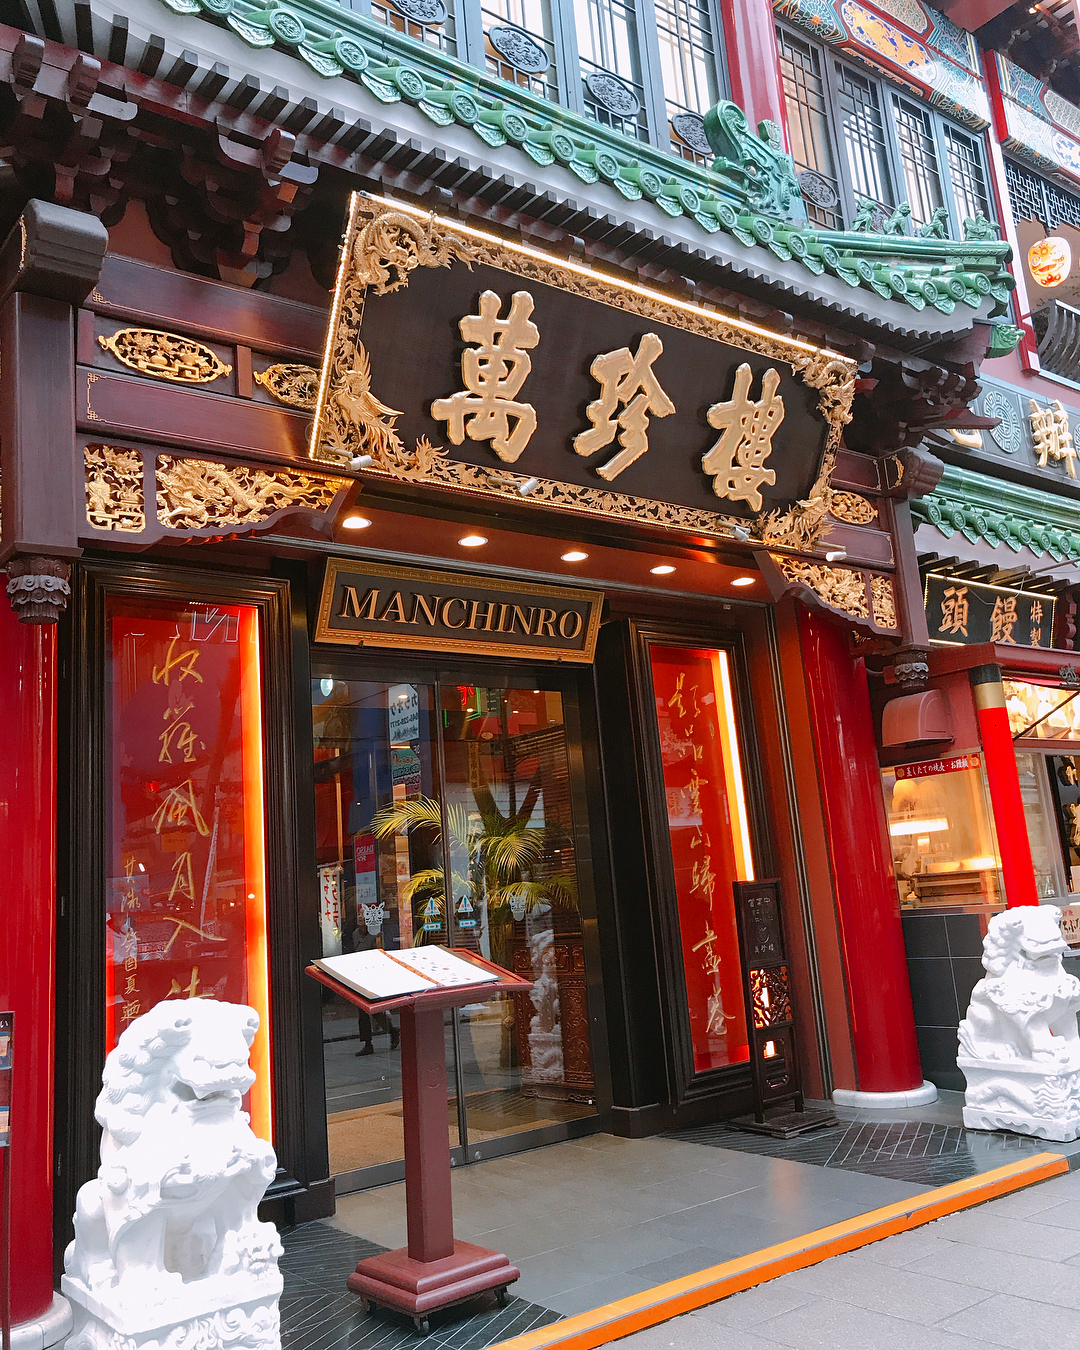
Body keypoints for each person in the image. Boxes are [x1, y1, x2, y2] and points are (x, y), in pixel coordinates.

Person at [353, 923, 400, 1055]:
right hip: (358, 975)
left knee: (375, 1010)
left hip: (372, 976)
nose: (361, 917)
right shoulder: (355, 934)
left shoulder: (376, 934)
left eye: (364, 915)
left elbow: (380, 955)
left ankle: (392, 1032)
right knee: (363, 1011)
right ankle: (368, 1043)